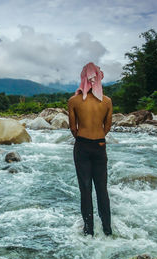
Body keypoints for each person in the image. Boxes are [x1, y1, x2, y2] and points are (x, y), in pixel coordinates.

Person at [68, 62, 113, 236]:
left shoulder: (73, 101)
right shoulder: (107, 101)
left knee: (85, 189)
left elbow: (73, 128)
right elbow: (107, 126)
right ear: (99, 77)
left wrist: (83, 139)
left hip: (82, 145)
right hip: (100, 145)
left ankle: (89, 231)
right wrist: (98, 137)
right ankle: (107, 230)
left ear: (83, 78)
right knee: (102, 189)